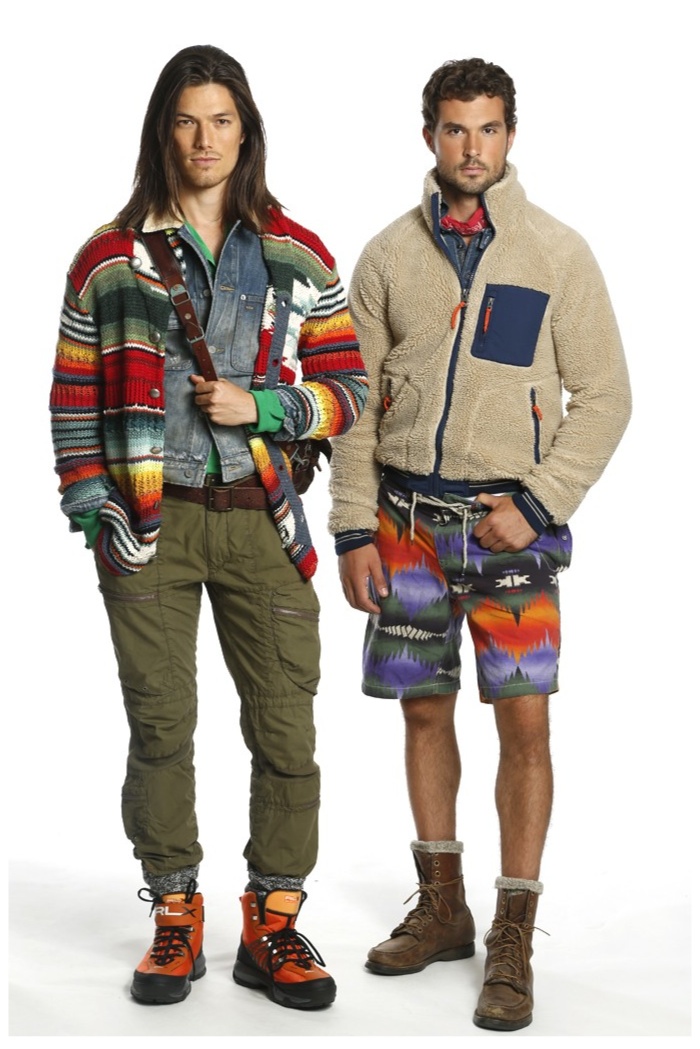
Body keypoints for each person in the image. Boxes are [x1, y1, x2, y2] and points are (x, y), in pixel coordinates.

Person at [50, 44, 367, 1011]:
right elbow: (72, 399)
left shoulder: (297, 252)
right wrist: (95, 511)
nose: (204, 139)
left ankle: (273, 921)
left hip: (262, 519)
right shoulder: (108, 258)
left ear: (246, 131)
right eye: (187, 121)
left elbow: (351, 389)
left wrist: (263, 408)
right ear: (163, 131)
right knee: (161, 724)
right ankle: (175, 911)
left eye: (221, 120)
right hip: (151, 528)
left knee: (286, 725)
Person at [329, 57, 631, 1031]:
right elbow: (353, 406)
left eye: (488, 128)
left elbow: (606, 396)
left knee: (524, 724)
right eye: (455, 128)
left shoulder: (555, 253)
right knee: (423, 714)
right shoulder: (385, 256)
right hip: (406, 526)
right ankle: (444, 908)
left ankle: (512, 931)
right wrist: (353, 528)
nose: (472, 147)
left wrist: (538, 503)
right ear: (429, 136)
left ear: (511, 135)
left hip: (511, 533)